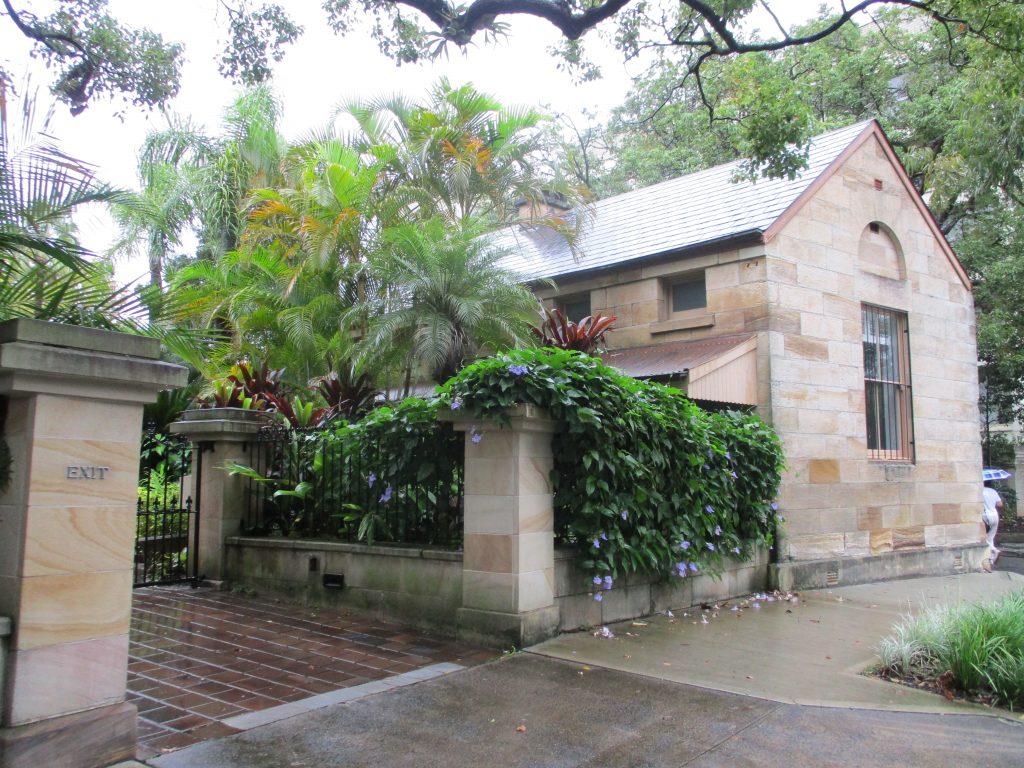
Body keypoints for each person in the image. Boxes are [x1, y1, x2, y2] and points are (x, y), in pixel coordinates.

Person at [982, 480, 1003, 567]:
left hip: (984, 515)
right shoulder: (993, 491)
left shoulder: (980, 491)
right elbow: (1000, 504)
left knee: (983, 537)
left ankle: (994, 550)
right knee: (991, 537)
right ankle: (991, 559)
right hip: (994, 515)